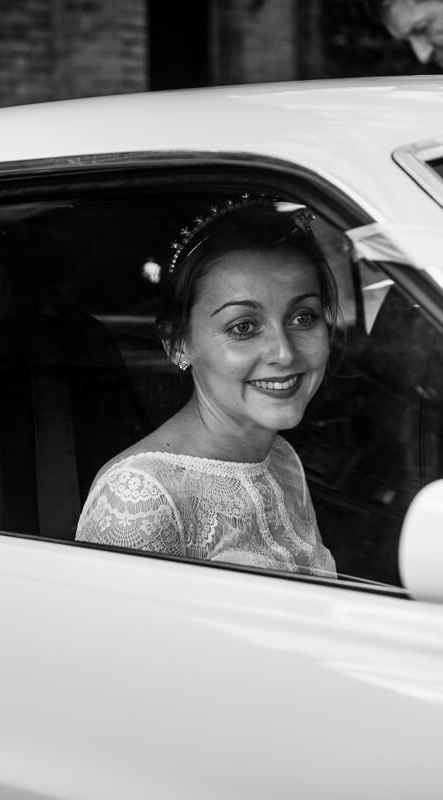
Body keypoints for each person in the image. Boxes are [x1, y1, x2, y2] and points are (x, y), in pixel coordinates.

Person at [74, 197, 337, 578]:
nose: (283, 352)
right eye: (243, 327)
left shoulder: (281, 458)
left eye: (303, 317)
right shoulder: (139, 498)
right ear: (178, 343)